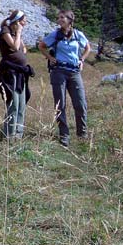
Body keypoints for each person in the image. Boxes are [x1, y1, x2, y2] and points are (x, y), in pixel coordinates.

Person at [38, 10, 91, 147]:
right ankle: (64, 135)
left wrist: (82, 60)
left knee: (80, 103)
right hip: (58, 71)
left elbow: (87, 48)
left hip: (74, 71)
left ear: (70, 20)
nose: (59, 20)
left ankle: (82, 134)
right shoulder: (55, 35)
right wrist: (50, 58)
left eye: (62, 18)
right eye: (59, 18)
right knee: (60, 104)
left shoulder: (78, 35)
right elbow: (41, 46)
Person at [0, 10, 34, 139]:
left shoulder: (14, 33)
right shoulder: (5, 31)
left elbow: (23, 48)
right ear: (17, 21)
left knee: (21, 104)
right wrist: (18, 32)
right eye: (24, 20)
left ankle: (19, 133)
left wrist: (20, 40)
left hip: (20, 73)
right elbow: (15, 47)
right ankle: (10, 135)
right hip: (10, 72)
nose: (25, 23)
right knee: (13, 103)